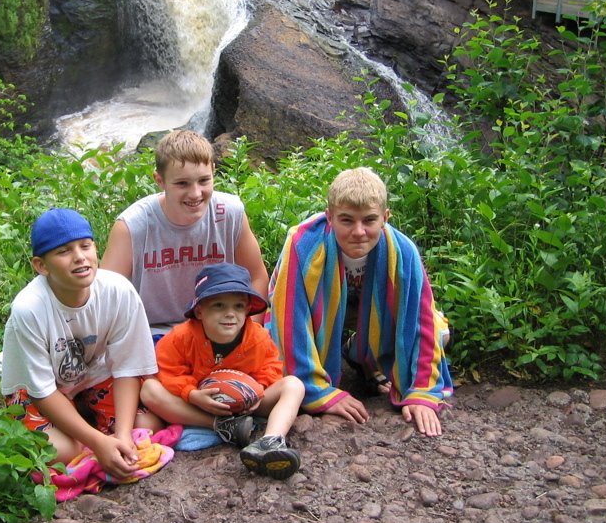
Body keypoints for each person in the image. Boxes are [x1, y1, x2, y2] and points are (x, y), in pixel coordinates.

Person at [266, 167, 453, 437]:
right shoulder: (303, 244)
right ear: (329, 217)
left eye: (369, 220)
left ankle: (360, 353)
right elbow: (288, 318)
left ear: (385, 218)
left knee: (442, 334)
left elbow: (422, 317)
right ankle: (333, 364)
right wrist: (321, 392)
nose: (359, 231)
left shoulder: (403, 251)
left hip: (370, 307)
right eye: (346, 220)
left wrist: (422, 391)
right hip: (320, 309)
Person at [0, 208, 163, 479]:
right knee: (63, 451)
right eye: (63, 252)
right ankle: (88, 431)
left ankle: (92, 422)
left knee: (146, 423)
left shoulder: (118, 291)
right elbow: (43, 392)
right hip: (36, 387)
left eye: (85, 246)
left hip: (91, 374)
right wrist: (99, 444)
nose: (79, 257)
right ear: (41, 266)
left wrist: (122, 436)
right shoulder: (28, 309)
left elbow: (127, 367)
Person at [141, 263, 306, 479]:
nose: (230, 314)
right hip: (199, 406)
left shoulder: (258, 337)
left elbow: (272, 367)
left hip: (248, 404)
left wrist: (258, 390)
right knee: (149, 389)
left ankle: (270, 441)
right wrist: (191, 394)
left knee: (294, 384)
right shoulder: (180, 338)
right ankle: (224, 426)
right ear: (199, 311)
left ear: (247, 309)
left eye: (238, 306)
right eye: (219, 305)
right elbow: (167, 371)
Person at [100, 129, 268, 338]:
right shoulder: (132, 226)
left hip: (220, 329)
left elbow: (257, 276)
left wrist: (249, 333)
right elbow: (106, 296)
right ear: (159, 180)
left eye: (204, 181)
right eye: (182, 183)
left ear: (214, 171)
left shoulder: (230, 213)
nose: (195, 193)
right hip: (152, 333)